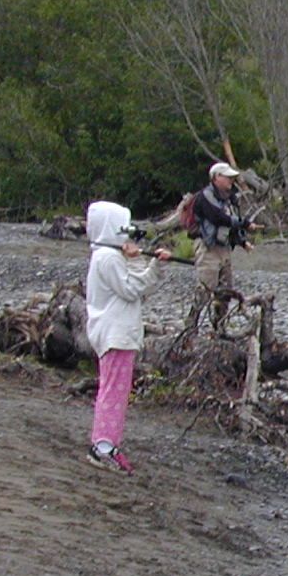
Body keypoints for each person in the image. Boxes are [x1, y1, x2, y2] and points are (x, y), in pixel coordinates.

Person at [84, 200, 173, 473]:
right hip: (115, 334)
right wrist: (147, 265)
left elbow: (135, 290)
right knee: (114, 392)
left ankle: (106, 443)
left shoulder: (106, 256)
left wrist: (148, 264)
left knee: (115, 390)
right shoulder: (108, 258)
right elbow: (132, 288)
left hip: (115, 333)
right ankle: (103, 446)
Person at [190, 160, 253, 326]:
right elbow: (218, 218)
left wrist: (242, 242)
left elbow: (230, 223)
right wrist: (244, 223)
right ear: (216, 177)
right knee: (205, 289)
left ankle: (219, 326)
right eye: (228, 177)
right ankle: (191, 326)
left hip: (224, 248)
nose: (231, 181)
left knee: (226, 291)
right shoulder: (205, 196)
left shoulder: (230, 199)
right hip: (207, 248)